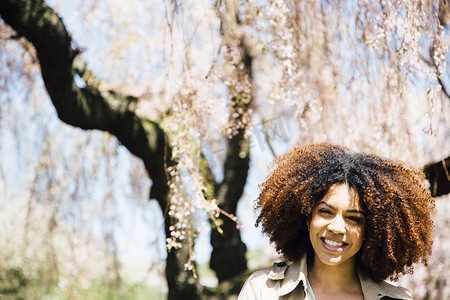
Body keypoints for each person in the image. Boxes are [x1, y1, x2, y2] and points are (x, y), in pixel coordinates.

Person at [238, 143, 435, 300]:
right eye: (325, 212)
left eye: (353, 218)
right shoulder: (263, 292)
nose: (337, 227)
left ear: (371, 231)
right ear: (308, 217)